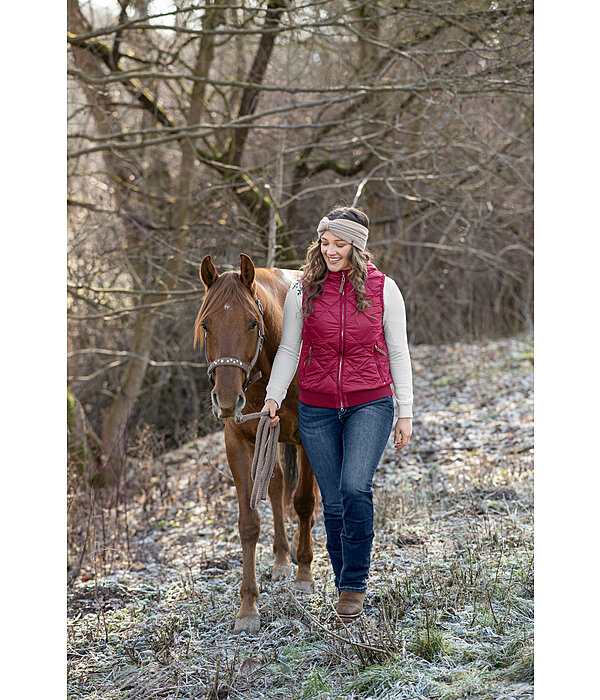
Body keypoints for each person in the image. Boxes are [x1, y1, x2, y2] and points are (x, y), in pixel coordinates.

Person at [261, 206, 413, 621]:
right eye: (325, 242)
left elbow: (398, 351)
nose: (330, 251)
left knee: (354, 488)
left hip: (371, 403)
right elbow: (290, 349)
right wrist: (273, 396)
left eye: (339, 244)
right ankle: (344, 576)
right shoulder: (302, 290)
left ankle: (352, 585)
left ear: (357, 247)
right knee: (332, 503)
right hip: (317, 408)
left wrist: (406, 411)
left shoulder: (385, 289)